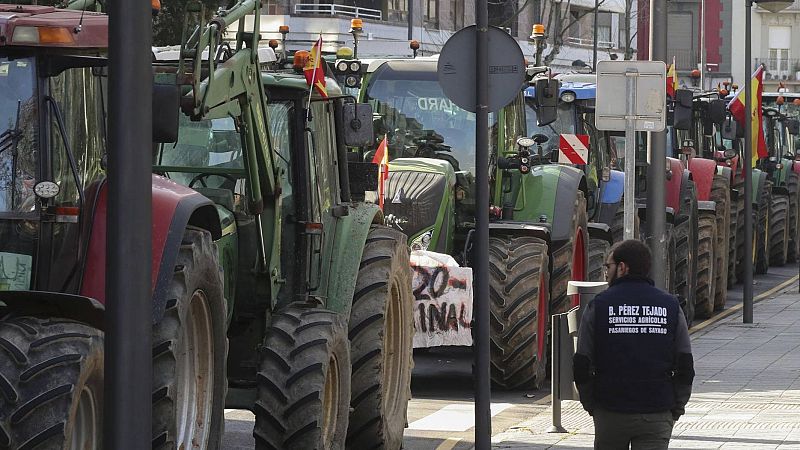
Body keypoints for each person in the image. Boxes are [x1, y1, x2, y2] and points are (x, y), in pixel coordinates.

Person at [573, 239, 694, 449]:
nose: (605, 272)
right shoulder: (670, 306)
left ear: (622, 267)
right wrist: (676, 407)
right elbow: (685, 364)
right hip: (657, 410)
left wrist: (592, 404)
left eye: (608, 266)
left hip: (611, 410)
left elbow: (582, 363)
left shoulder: (598, 306)